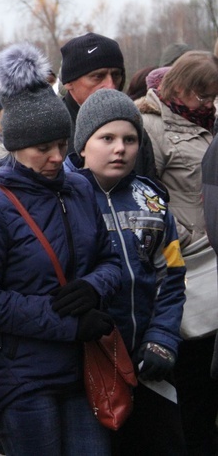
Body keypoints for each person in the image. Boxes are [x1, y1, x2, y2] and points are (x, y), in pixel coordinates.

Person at [0, 44, 120, 456]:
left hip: (84, 367)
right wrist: (66, 322)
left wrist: (94, 288)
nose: (56, 158)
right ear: (14, 145)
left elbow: (110, 258)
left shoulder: (80, 186)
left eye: (62, 144)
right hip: (22, 378)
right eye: (42, 148)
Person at [68, 89, 187, 455]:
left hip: (149, 362)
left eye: (130, 139)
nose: (120, 148)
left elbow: (173, 276)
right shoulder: (63, 200)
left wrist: (163, 339)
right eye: (107, 138)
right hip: (89, 367)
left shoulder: (153, 202)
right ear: (83, 145)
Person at [140, 50, 218, 455]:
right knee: (193, 370)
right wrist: (179, 234)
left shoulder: (209, 123)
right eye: (203, 96)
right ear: (181, 89)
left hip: (214, 255)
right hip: (183, 258)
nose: (209, 105)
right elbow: (148, 192)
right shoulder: (152, 127)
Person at [60, 32, 157, 179]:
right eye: (98, 76)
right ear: (68, 82)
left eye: (116, 75)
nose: (110, 86)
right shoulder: (51, 128)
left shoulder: (132, 127)